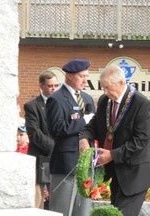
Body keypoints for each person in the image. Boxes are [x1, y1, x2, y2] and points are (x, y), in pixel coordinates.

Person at [79, 64, 150, 216]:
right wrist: (83, 139)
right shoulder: (105, 100)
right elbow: (93, 126)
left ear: (121, 83)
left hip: (136, 172)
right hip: (116, 170)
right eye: (103, 87)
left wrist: (112, 155)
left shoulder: (140, 103)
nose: (105, 92)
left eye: (108, 87)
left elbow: (140, 141)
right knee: (114, 211)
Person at [46, 58, 96, 216]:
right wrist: (83, 121)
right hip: (66, 163)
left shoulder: (87, 99)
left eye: (86, 76)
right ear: (69, 76)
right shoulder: (57, 99)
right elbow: (57, 129)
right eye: (82, 76)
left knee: (83, 210)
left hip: (86, 162)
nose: (85, 80)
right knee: (63, 208)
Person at [24, 70, 59, 209]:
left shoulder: (61, 103)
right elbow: (34, 133)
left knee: (57, 198)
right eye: (50, 86)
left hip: (58, 159)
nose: (54, 89)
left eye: (56, 85)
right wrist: (56, 147)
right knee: (37, 200)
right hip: (40, 157)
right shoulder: (32, 106)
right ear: (41, 86)